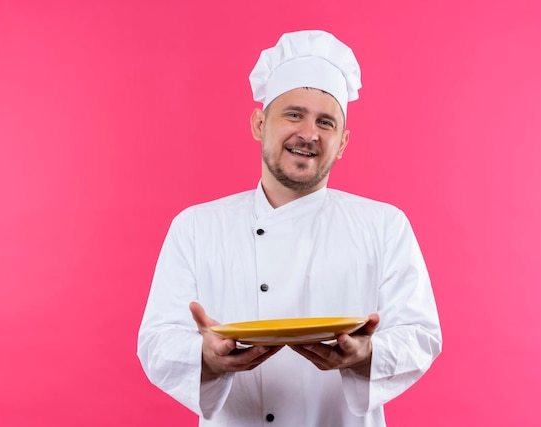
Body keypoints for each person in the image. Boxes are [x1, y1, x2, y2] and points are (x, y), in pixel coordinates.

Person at [137, 30, 442, 426]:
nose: (309, 133)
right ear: (259, 123)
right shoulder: (196, 227)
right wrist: (206, 359)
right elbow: (157, 341)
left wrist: (366, 355)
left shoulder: (384, 226)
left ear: (343, 142)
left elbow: (421, 335)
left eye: (326, 122)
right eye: (293, 114)